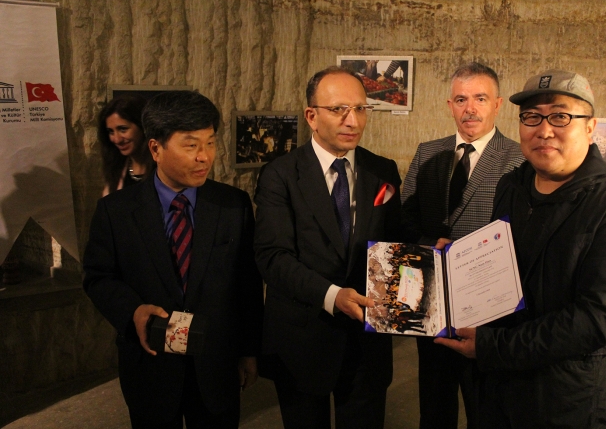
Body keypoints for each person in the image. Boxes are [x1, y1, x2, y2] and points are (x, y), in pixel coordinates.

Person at [436, 69, 606, 428]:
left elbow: (597, 320)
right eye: (532, 117)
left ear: (590, 126)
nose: (544, 130)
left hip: (566, 397)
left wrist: (493, 347)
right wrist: (461, 257)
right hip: (497, 390)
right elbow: (507, 263)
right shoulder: (512, 185)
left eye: (560, 116)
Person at [83, 90, 264, 428]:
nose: (204, 157)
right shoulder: (116, 212)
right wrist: (133, 311)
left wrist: (249, 350)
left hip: (216, 364)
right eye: (191, 145)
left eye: (210, 143)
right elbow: (98, 277)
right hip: (151, 365)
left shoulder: (233, 205)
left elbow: (248, 285)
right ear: (156, 149)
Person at [254, 66, 402, 429]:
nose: (353, 120)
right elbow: (273, 257)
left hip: (367, 341)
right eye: (339, 110)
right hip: (302, 337)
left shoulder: (382, 170)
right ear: (311, 116)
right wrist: (333, 296)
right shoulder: (280, 175)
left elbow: (395, 242)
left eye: (361, 108)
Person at [401, 62, 524, 429]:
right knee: (434, 406)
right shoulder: (427, 152)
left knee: (484, 408)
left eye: (480, 99)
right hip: (433, 303)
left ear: (497, 104)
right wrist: (428, 243)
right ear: (450, 105)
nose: (470, 109)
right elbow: (404, 217)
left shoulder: (519, 158)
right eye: (461, 99)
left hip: (490, 309)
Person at [97, 94, 153, 195]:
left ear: (143, 126)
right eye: (111, 131)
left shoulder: (165, 168)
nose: (117, 139)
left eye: (123, 129)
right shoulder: (116, 169)